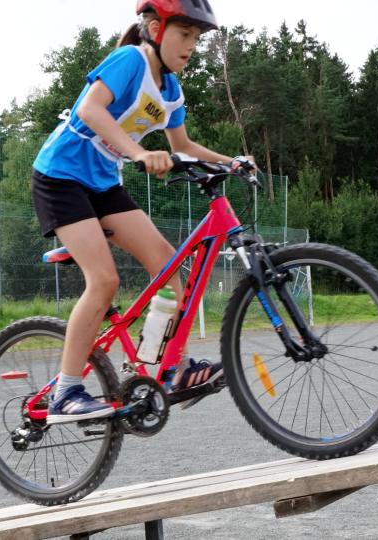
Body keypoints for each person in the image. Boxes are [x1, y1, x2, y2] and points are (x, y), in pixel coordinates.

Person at [30, 0, 253, 424]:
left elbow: (182, 147)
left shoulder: (170, 91)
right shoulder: (130, 60)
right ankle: (66, 392)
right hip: (60, 175)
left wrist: (231, 162)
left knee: (170, 268)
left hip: (101, 183)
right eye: (184, 34)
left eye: (197, 38)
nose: (191, 45)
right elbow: (89, 110)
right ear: (154, 29)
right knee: (105, 280)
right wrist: (136, 152)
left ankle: (163, 368)